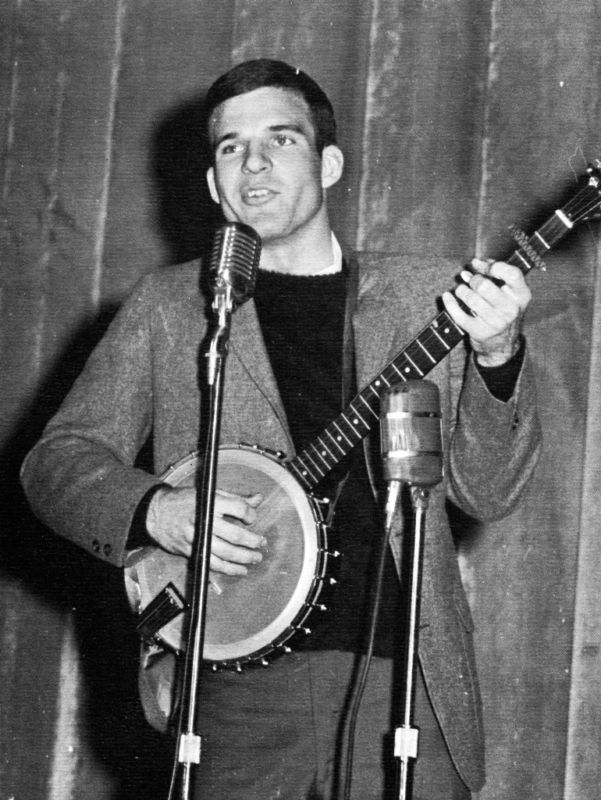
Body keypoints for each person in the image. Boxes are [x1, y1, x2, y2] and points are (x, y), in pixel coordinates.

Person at [21, 59, 541, 800]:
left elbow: (487, 491)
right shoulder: (172, 307)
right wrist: (156, 511)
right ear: (212, 182)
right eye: (230, 146)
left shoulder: (432, 298)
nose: (254, 161)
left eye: (281, 139)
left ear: (329, 164)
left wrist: (496, 356)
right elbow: (55, 464)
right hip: (235, 691)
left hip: (405, 688)